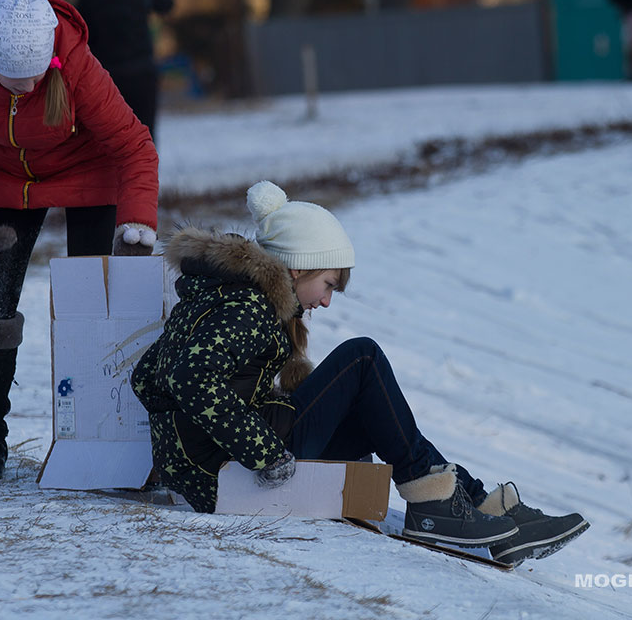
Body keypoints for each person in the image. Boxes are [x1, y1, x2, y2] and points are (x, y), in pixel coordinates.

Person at [131, 181, 589, 565]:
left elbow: (145, 376)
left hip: (216, 465)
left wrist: (181, 449)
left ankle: (481, 511)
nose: (326, 301)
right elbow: (189, 379)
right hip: (231, 474)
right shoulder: (246, 308)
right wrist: (264, 452)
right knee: (362, 357)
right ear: (296, 266)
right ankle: (446, 506)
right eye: (328, 283)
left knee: (375, 409)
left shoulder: (220, 299)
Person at [0, 0, 160, 483]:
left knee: (94, 309)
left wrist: (136, 228)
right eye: (12, 81)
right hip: (7, 183)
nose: (25, 88)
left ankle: (100, 434)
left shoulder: (77, 62)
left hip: (89, 176)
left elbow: (134, 147)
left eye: (36, 77)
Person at [76, 0, 174, 141]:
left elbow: (80, 26)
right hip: (141, 70)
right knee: (145, 135)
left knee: (106, 137)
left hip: (104, 74)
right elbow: (167, 3)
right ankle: (145, 166)